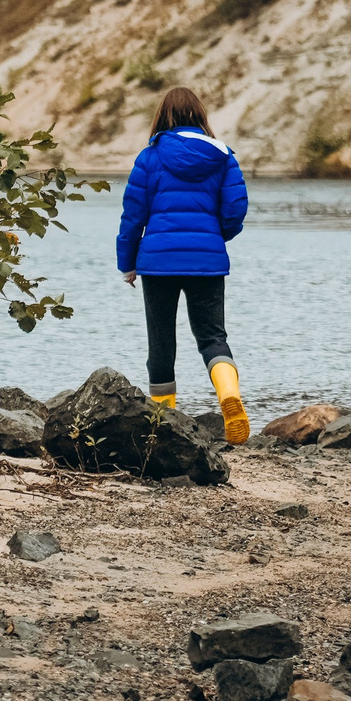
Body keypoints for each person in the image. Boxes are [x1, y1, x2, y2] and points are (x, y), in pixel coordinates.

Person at [115, 86, 251, 443]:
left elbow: (133, 216)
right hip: (206, 261)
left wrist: (127, 263)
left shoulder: (150, 157)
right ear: (200, 116)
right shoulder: (223, 156)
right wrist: (212, 237)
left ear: (163, 116)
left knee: (161, 343)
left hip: (157, 262)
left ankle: (162, 424)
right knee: (212, 337)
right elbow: (236, 209)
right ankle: (229, 397)